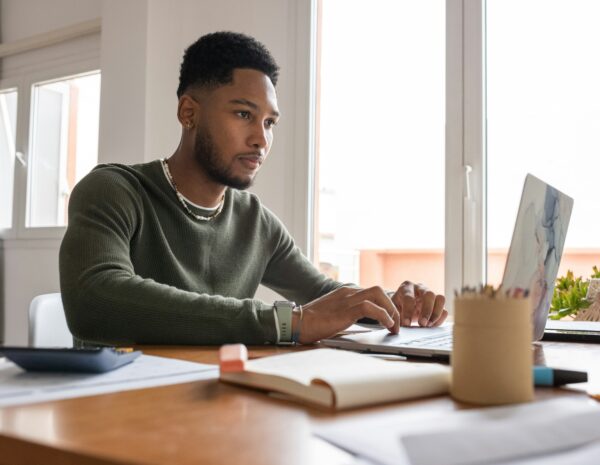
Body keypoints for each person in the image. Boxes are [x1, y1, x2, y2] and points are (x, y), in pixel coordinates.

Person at [59, 31, 447, 347]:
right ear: (188, 113)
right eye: (244, 114)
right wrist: (287, 322)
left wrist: (388, 303)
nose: (260, 139)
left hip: (218, 402)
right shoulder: (113, 190)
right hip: (118, 412)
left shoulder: (254, 221)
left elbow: (322, 295)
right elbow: (93, 298)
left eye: (269, 123)